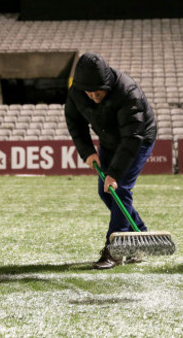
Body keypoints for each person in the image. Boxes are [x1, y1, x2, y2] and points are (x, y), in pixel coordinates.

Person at [65, 52, 157, 269]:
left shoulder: (128, 92)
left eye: (98, 92)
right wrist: (87, 151)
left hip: (138, 139)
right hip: (108, 140)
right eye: (89, 93)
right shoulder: (77, 92)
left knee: (120, 189)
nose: (94, 97)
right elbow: (75, 122)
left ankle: (115, 250)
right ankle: (140, 235)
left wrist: (114, 174)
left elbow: (132, 138)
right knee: (105, 192)